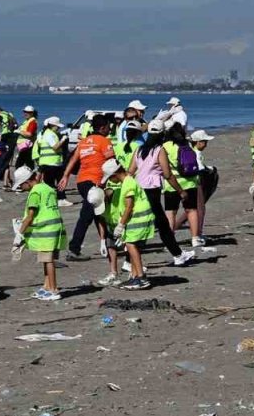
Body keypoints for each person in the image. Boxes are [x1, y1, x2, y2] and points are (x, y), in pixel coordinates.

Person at [129, 120, 192, 266]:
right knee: (159, 224)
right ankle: (177, 255)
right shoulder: (159, 150)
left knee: (155, 224)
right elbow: (167, 174)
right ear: (162, 134)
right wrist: (181, 191)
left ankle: (178, 254)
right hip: (152, 191)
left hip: (139, 189)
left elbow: (130, 171)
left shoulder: (139, 150)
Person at [58, 114, 115, 262]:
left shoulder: (84, 141)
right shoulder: (104, 141)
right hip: (95, 183)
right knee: (87, 215)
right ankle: (74, 249)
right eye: (108, 127)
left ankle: (107, 243)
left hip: (82, 182)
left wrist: (65, 176)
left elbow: (73, 159)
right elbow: (112, 163)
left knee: (97, 213)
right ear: (102, 128)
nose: (110, 130)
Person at [11, 166, 68, 302]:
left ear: (27, 182)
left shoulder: (35, 193)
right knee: (46, 260)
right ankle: (46, 287)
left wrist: (19, 233)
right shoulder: (47, 188)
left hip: (45, 231)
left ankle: (53, 290)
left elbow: (30, 216)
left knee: (48, 261)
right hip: (55, 228)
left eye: (21, 185)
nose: (21, 188)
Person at [99, 159, 153, 290]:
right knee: (133, 246)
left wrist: (120, 225)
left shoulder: (128, 183)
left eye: (110, 177)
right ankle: (135, 276)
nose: (110, 180)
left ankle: (141, 277)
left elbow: (129, 206)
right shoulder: (128, 181)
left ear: (115, 174)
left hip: (138, 219)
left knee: (130, 245)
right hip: (137, 219)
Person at [162, 122, 202, 245]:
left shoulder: (166, 146)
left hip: (172, 184)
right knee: (192, 210)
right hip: (190, 182)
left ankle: (171, 240)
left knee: (171, 212)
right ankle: (195, 238)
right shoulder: (188, 144)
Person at [189, 129, 217, 238]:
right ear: (198, 142)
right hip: (196, 182)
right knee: (200, 209)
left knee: (192, 209)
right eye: (205, 142)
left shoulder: (193, 151)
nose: (206, 145)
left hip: (192, 183)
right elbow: (200, 168)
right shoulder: (196, 153)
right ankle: (198, 234)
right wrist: (209, 170)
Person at [34, 116, 67, 196]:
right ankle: (59, 198)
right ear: (52, 125)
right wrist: (63, 139)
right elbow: (55, 147)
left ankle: (60, 198)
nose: (58, 128)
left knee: (54, 182)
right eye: (57, 126)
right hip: (51, 163)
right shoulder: (49, 134)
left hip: (51, 162)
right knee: (51, 183)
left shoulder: (47, 133)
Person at [0, 106, 19, 186]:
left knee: (3, 158)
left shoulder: (0, 115)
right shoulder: (9, 114)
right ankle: (8, 180)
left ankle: (5, 180)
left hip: (5, 136)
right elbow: (16, 125)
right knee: (7, 158)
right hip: (13, 136)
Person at [14, 105, 39, 172]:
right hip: (24, 147)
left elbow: (29, 134)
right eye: (25, 112)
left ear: (32, 113)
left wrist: (19, 131)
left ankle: (25, 176)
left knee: (19, 165)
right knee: (28, 164)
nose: (26, 113)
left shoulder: (32, 122)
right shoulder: (26, 121)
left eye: (28, 112)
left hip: (28, 146)